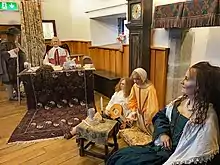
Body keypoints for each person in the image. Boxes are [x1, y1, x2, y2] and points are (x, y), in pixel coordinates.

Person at [106, 62, 220, 165]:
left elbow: (199, 154)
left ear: (200, 85)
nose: (182, 81)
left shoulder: (207, 119)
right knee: (119, 156)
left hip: (175, 157)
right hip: (159, 148)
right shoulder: (180, 101)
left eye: (187, 78)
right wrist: (163, 133)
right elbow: (161, 115)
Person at [61, 78, 133, 139]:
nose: (122, 85)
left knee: (104, 129)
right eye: (121, 83)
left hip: (120, 119)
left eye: (124, 84)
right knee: (93, 119)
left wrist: (125, 121)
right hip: (111, 114)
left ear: (128, 86)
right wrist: (107, 110)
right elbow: (111, 103)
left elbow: (131, 111)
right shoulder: (117, 93)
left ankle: (86, 135)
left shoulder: (130, 97)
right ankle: (73, 131)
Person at [126, 68, 159, 135]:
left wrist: (147, 114)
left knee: (150, 133)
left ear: (143, 78)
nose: (135, 81)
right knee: (139, 130)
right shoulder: (135, 87)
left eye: (137, 79)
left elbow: (153, 106)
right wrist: (135, 109)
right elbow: (132, 99)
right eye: (134, 79)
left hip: (146, 114)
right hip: (138, 112)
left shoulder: (150, 89)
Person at [0, 27, 28, 101]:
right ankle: (11, 96)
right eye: (16, 36)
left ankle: (18, 92)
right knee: (9, 81)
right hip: (7, 66)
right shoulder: (4, 44)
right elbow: (2, 54)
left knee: (17, 79)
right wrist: (11, 52)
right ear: (10, 36)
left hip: (16, 66)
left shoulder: (16, 43)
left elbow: (22, 53)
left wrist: (24, 61)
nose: (17, 37)